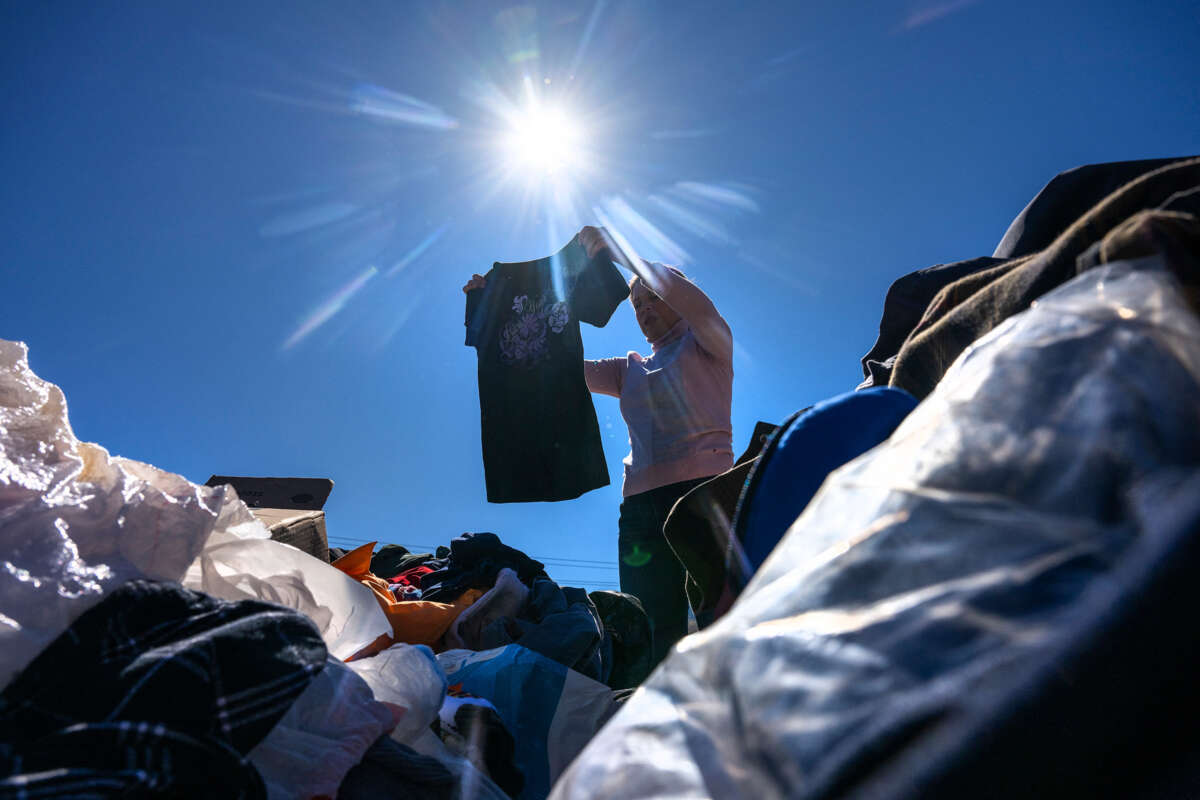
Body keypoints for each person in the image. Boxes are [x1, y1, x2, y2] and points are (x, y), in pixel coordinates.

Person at [462, 225, 734, 667]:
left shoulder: (710, 342)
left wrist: (620, 252)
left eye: (653, 298)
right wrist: (493, 308)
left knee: (718, 619)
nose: (643, 308)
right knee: (649, 628)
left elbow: (687, 298)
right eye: (637, 303)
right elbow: (555, 363)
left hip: (703, 497)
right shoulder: (629, 369)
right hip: (640, 512)